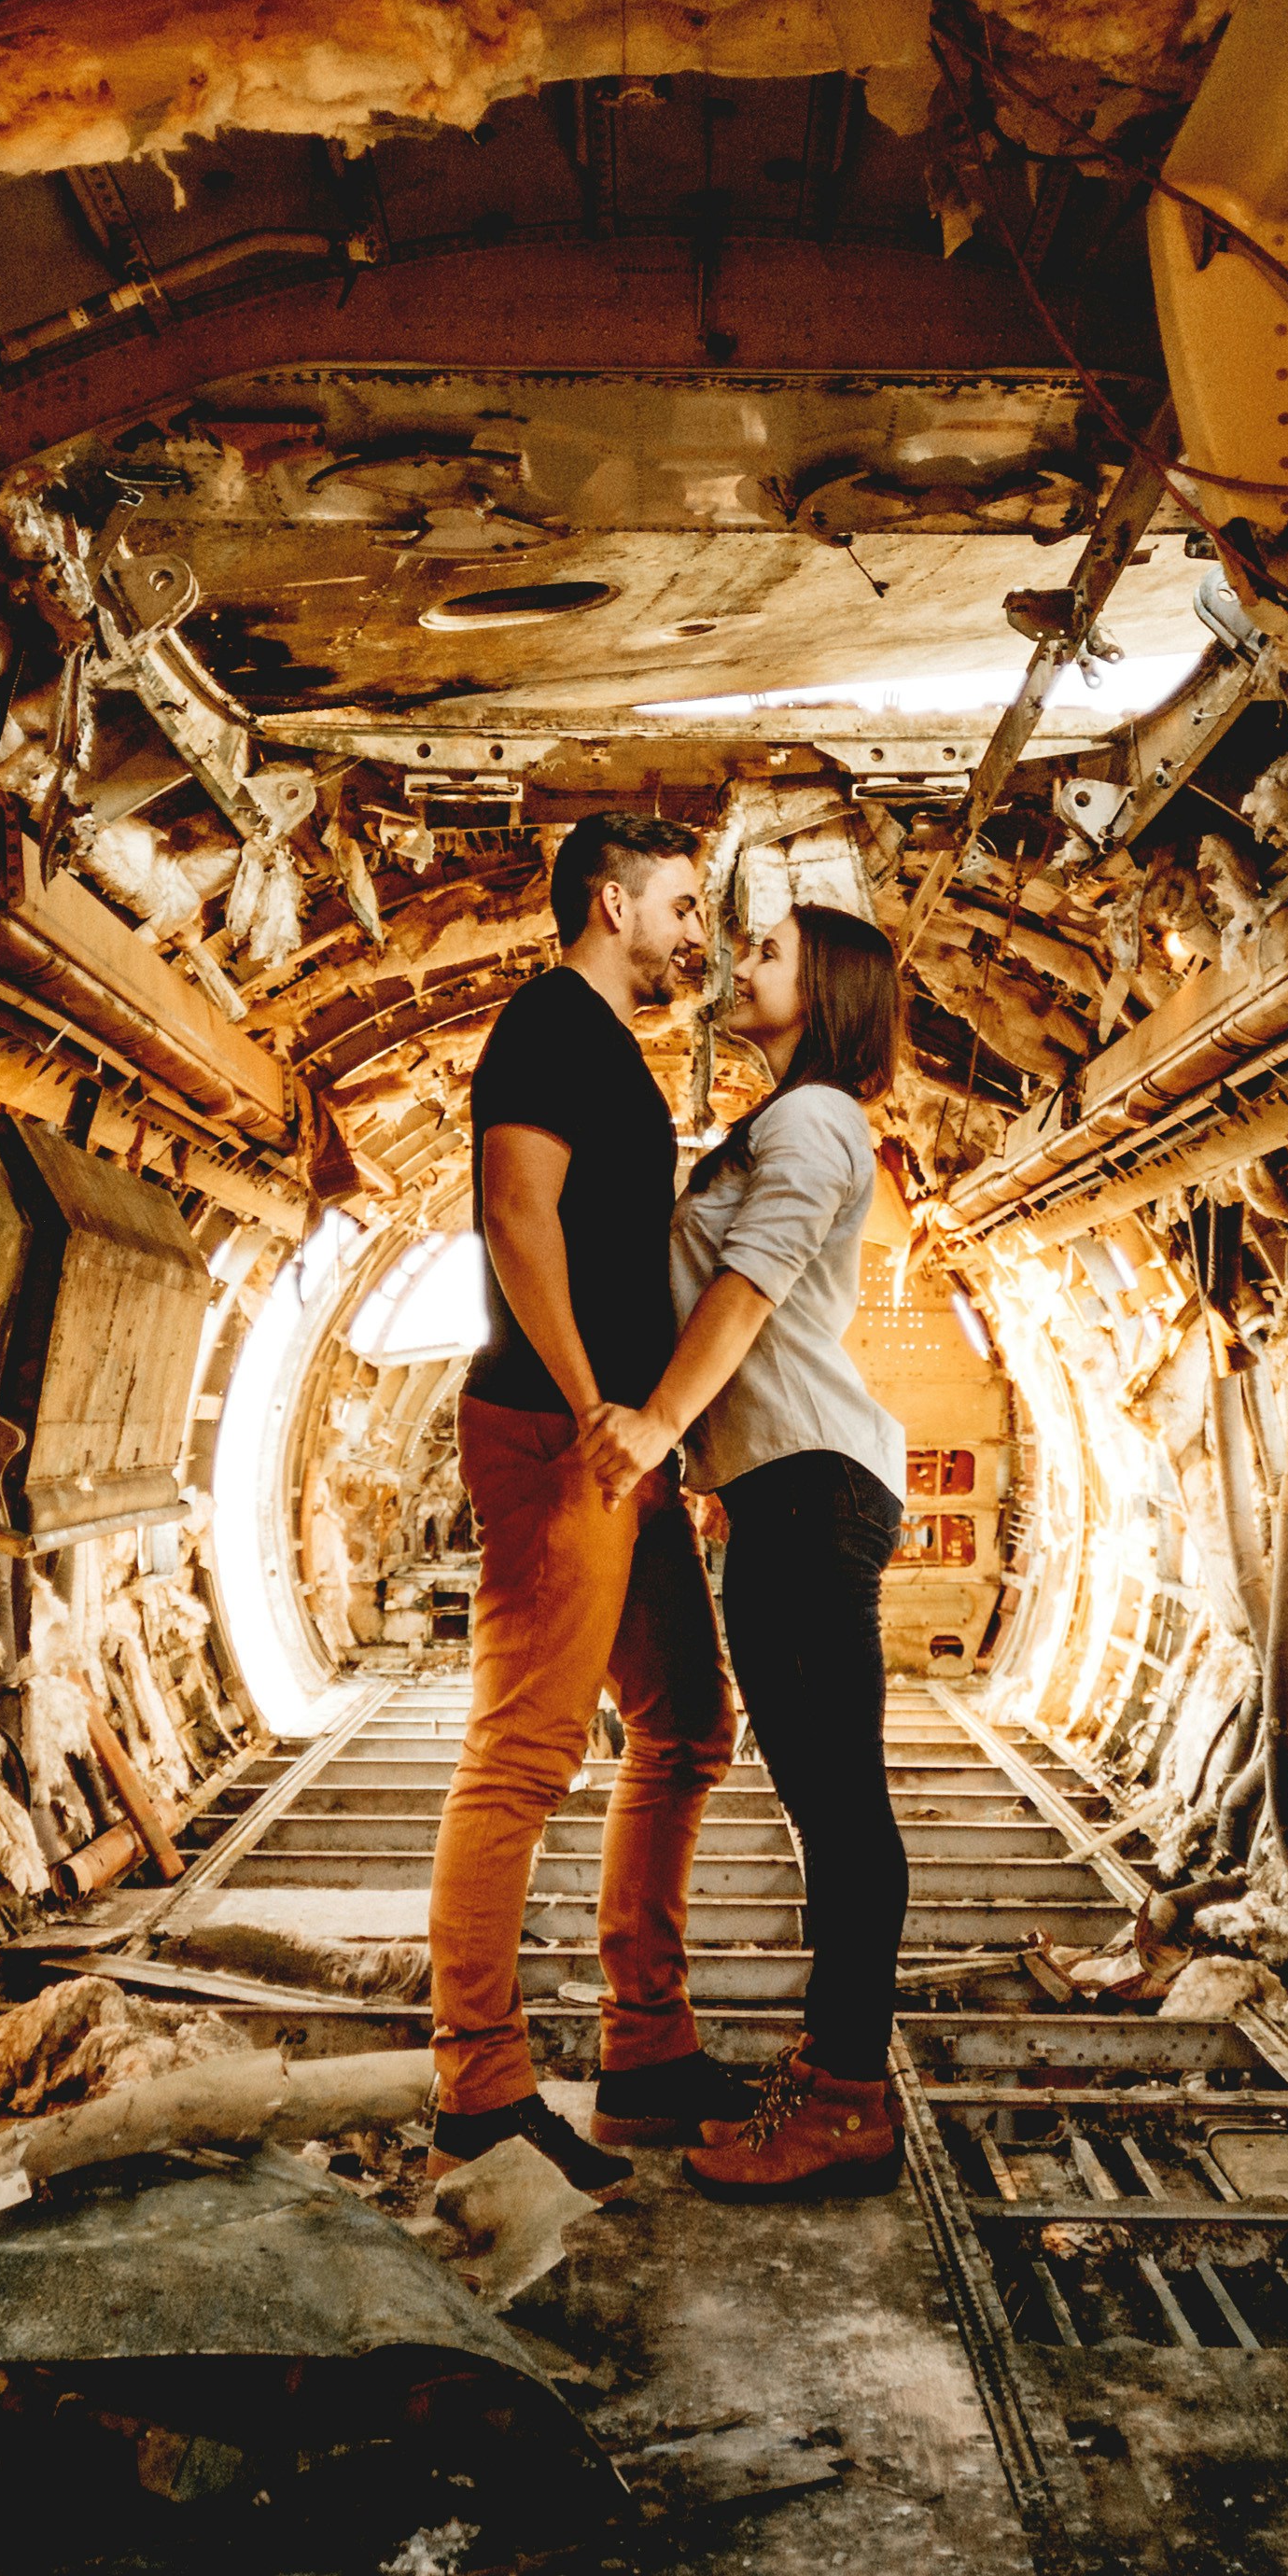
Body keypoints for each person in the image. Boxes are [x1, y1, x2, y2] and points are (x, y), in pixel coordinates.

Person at [426, 812, 765, 2193]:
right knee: (521, 1753)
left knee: (687, 1723)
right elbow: (516, 1215)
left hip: (626, 1446)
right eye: (683, 906)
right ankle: (480, 2082)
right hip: (562, 1438)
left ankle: (644, 2045)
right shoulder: (550, 1027)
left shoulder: (606, 1043)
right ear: (610, 901)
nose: (699, 933)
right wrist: (588, 1413)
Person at [580, 903, 918, 2200]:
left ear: (825, 989)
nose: (739, 962)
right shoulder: (786, 1120)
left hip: (808, 1486)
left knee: (839, 1805)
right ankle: (834, 2071)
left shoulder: (815, 1117)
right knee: (823, 1800)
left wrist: (660, 1424)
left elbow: (752, 1283)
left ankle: (845, 2104)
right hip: (781, 1488)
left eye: (769, 950)